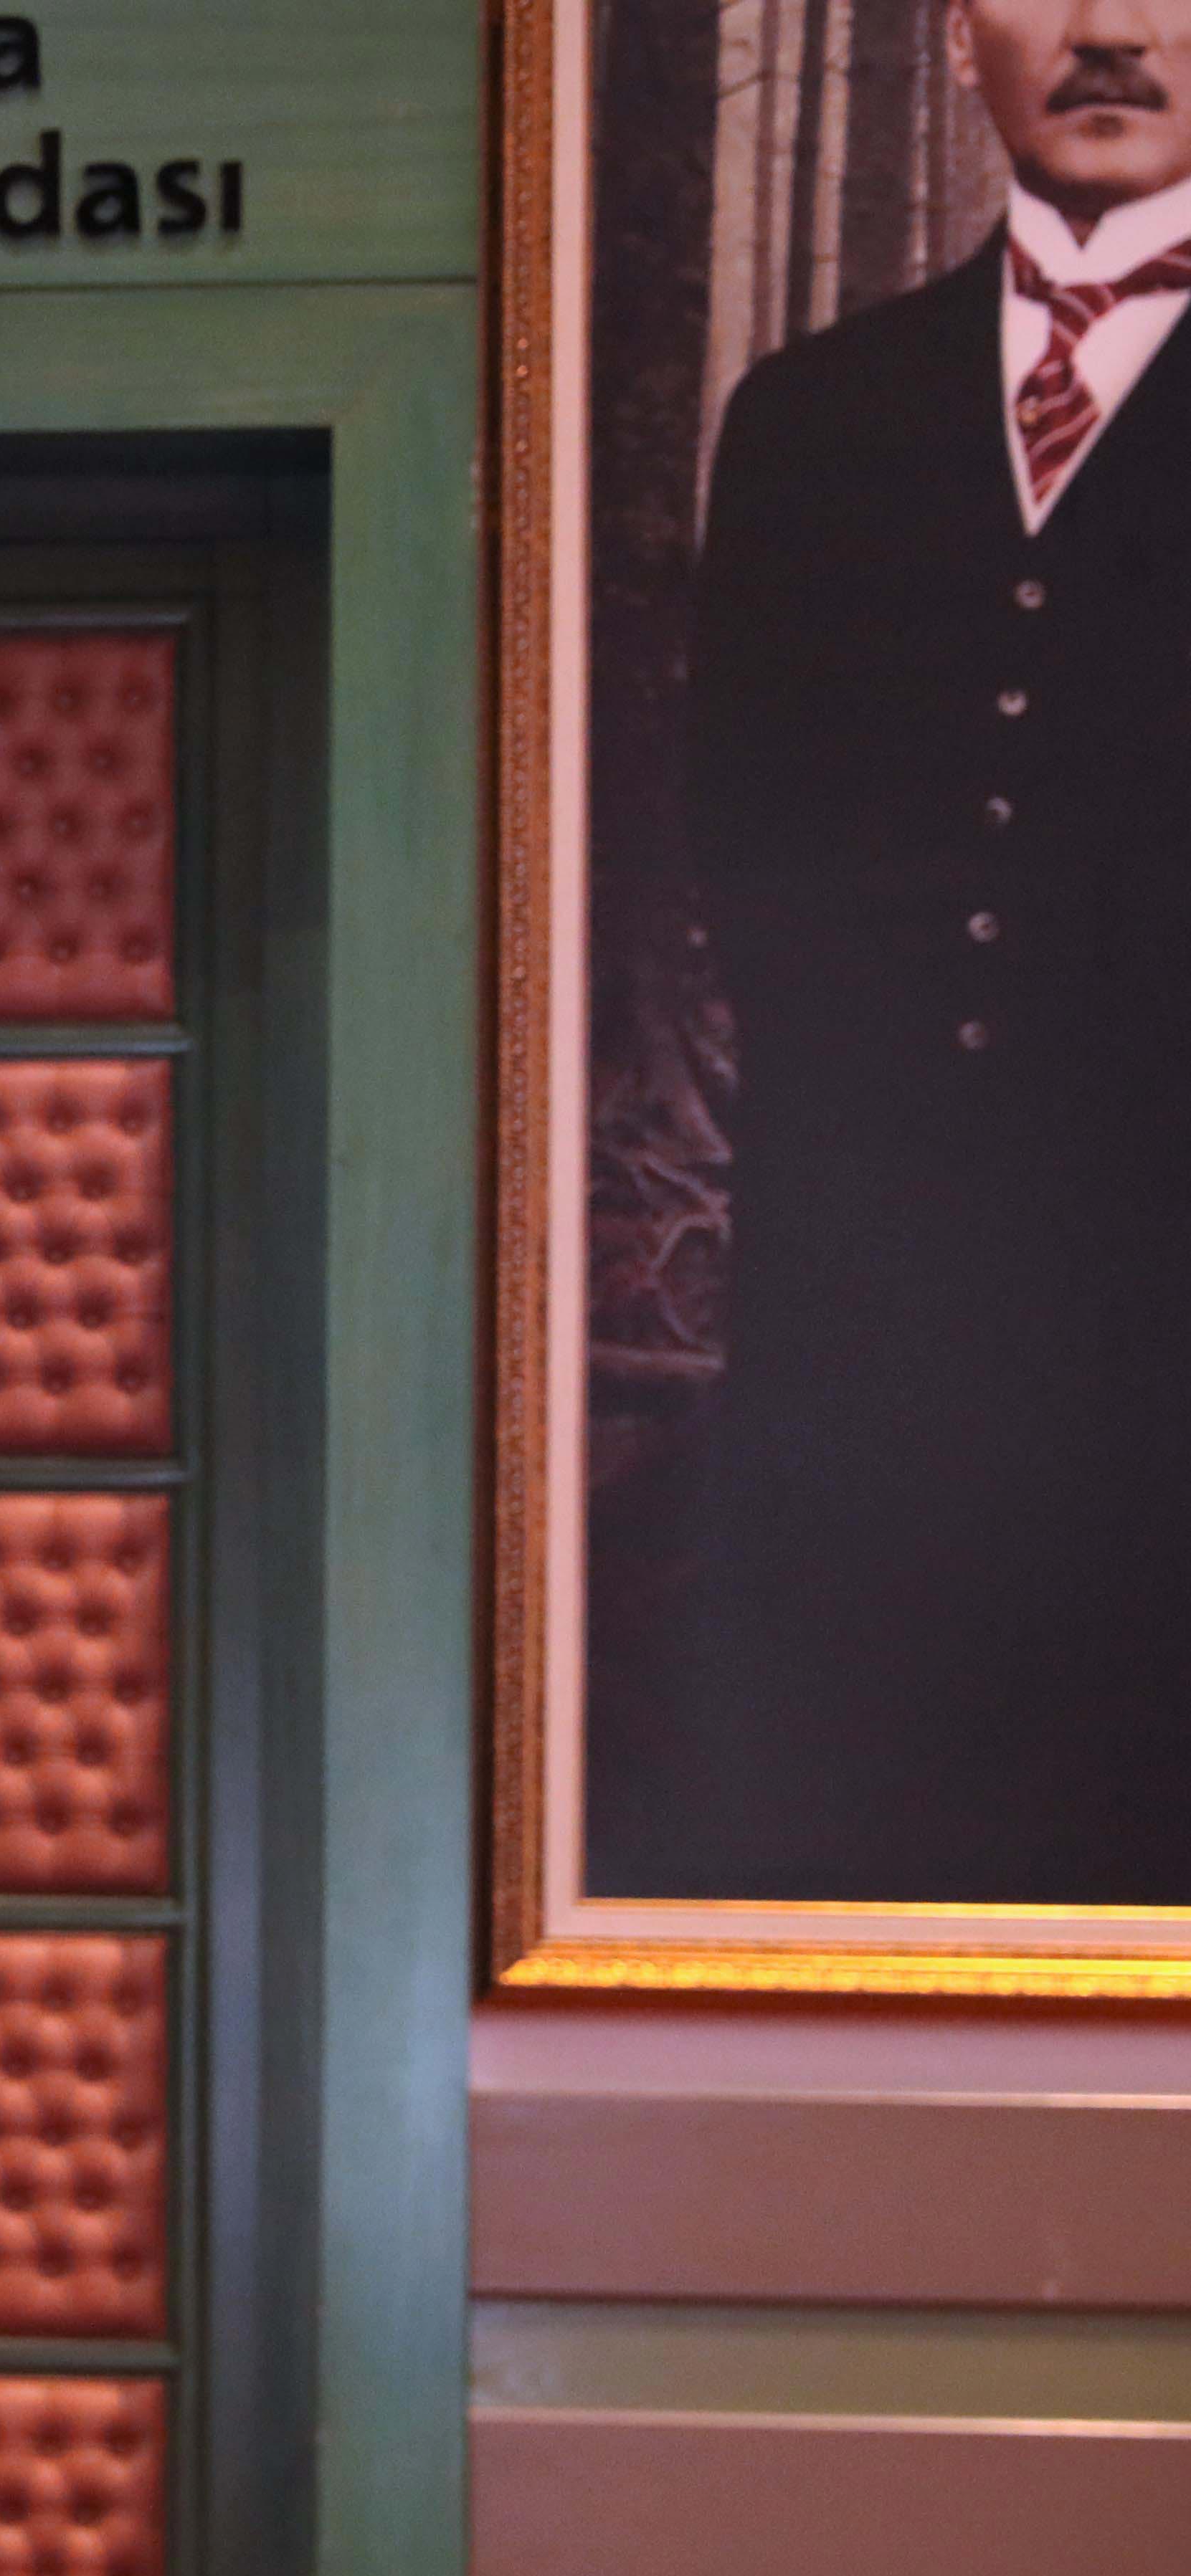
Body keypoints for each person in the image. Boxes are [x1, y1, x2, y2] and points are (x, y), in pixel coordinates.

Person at [654, 0, 1191, 1894]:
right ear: (961, 35)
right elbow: (747, 839)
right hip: (860, 1381)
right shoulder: (811, 422)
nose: (1108, 30)